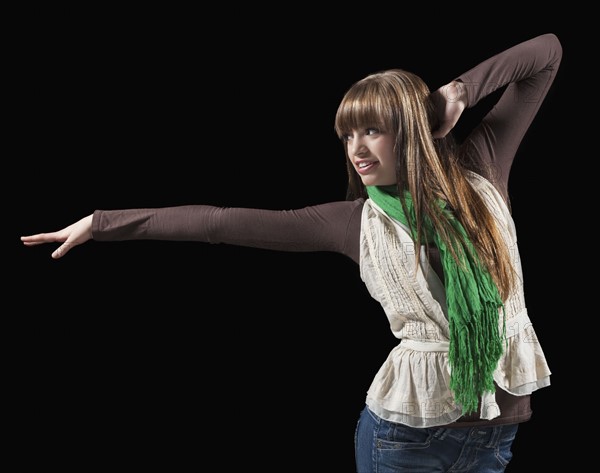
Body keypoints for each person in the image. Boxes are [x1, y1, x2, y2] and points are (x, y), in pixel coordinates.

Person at [21, 33, 562, 472]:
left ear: (411, 129)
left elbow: (547, 53)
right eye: (347, 135)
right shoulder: (352, 223)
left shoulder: (481, 170)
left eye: (372, 130)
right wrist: (101, 223)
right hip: (404, 443)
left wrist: (460, 92)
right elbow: (218, 223)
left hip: (495, 440)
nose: (356, 150)